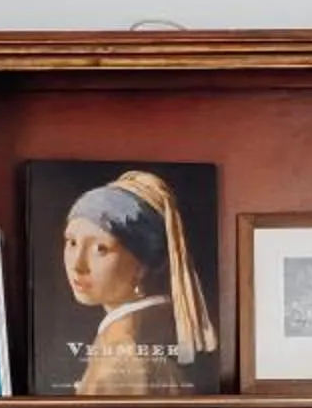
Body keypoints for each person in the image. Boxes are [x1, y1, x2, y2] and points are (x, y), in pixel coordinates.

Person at [58, 168, 216, 395]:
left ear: (141, 265)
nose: (77, 264)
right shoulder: (150, 329)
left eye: (100, 248)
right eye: (71, 242)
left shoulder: (124, 352)